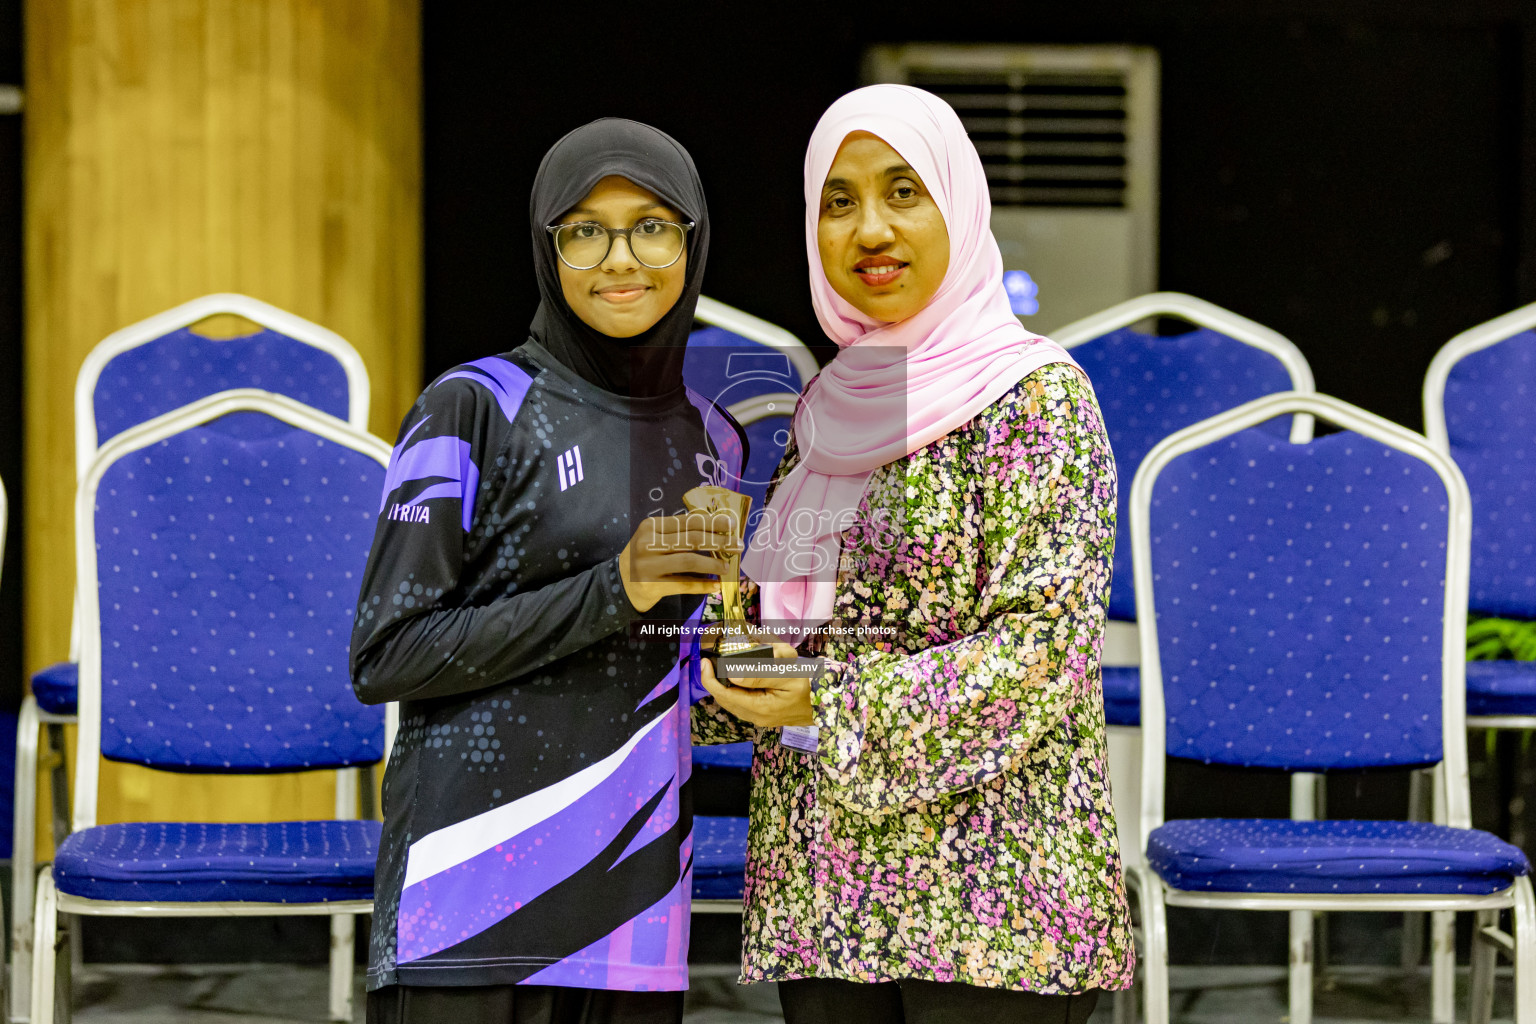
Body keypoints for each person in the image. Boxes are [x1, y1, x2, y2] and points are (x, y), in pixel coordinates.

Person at [692, 84, 1135, 1024]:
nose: (870, 229)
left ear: (958, 204)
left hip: (993, 897)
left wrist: (828, 698)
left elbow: (1043, 652)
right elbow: (784, 630)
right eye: (839, 201)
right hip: (825, 889)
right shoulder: (825, 410)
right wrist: (725, 668)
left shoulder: (1037, 399)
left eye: (903, 191)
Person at [352, 117, 746, 1024]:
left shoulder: (716, 438)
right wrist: (619, 586)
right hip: (466, 912)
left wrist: (755, 666)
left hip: (636, 921)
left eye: (653, 225)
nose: (622, 258)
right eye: (585, 230)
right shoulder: (474, 405)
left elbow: (686, 684)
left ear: (693, 241)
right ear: (548, 246)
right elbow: (387, 654)